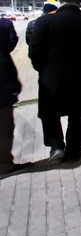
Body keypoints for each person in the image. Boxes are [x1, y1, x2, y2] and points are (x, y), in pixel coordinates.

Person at [28, 0, 81, 163]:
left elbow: (35, 51)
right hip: (80, 76)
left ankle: (56, 146)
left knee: (50, 112)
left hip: (51, 76)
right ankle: (73, 149)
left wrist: (42, 69)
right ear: (80, 3)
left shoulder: (45, 21)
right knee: (76, 114)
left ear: (60, 2)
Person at [0, 16, 32, 178]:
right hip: (2, 92)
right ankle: (4, 165)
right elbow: (9, 46)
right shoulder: (3, 25)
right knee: (4, 128)